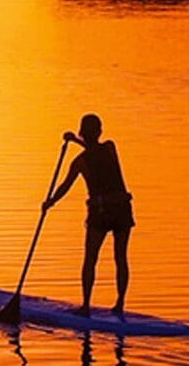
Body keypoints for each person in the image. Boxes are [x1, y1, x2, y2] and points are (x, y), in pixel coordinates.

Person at [44, 113, 134, 316]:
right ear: (100, 132)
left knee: (91, 258)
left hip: (102, 213)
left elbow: (65, 186)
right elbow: (95, 151)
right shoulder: (110, 148)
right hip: (122, 210)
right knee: (120, 257)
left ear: (82, 133)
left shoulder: (81, 161)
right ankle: (119, 304)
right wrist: (50, 202)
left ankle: (86, 306)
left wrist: (50, 202)